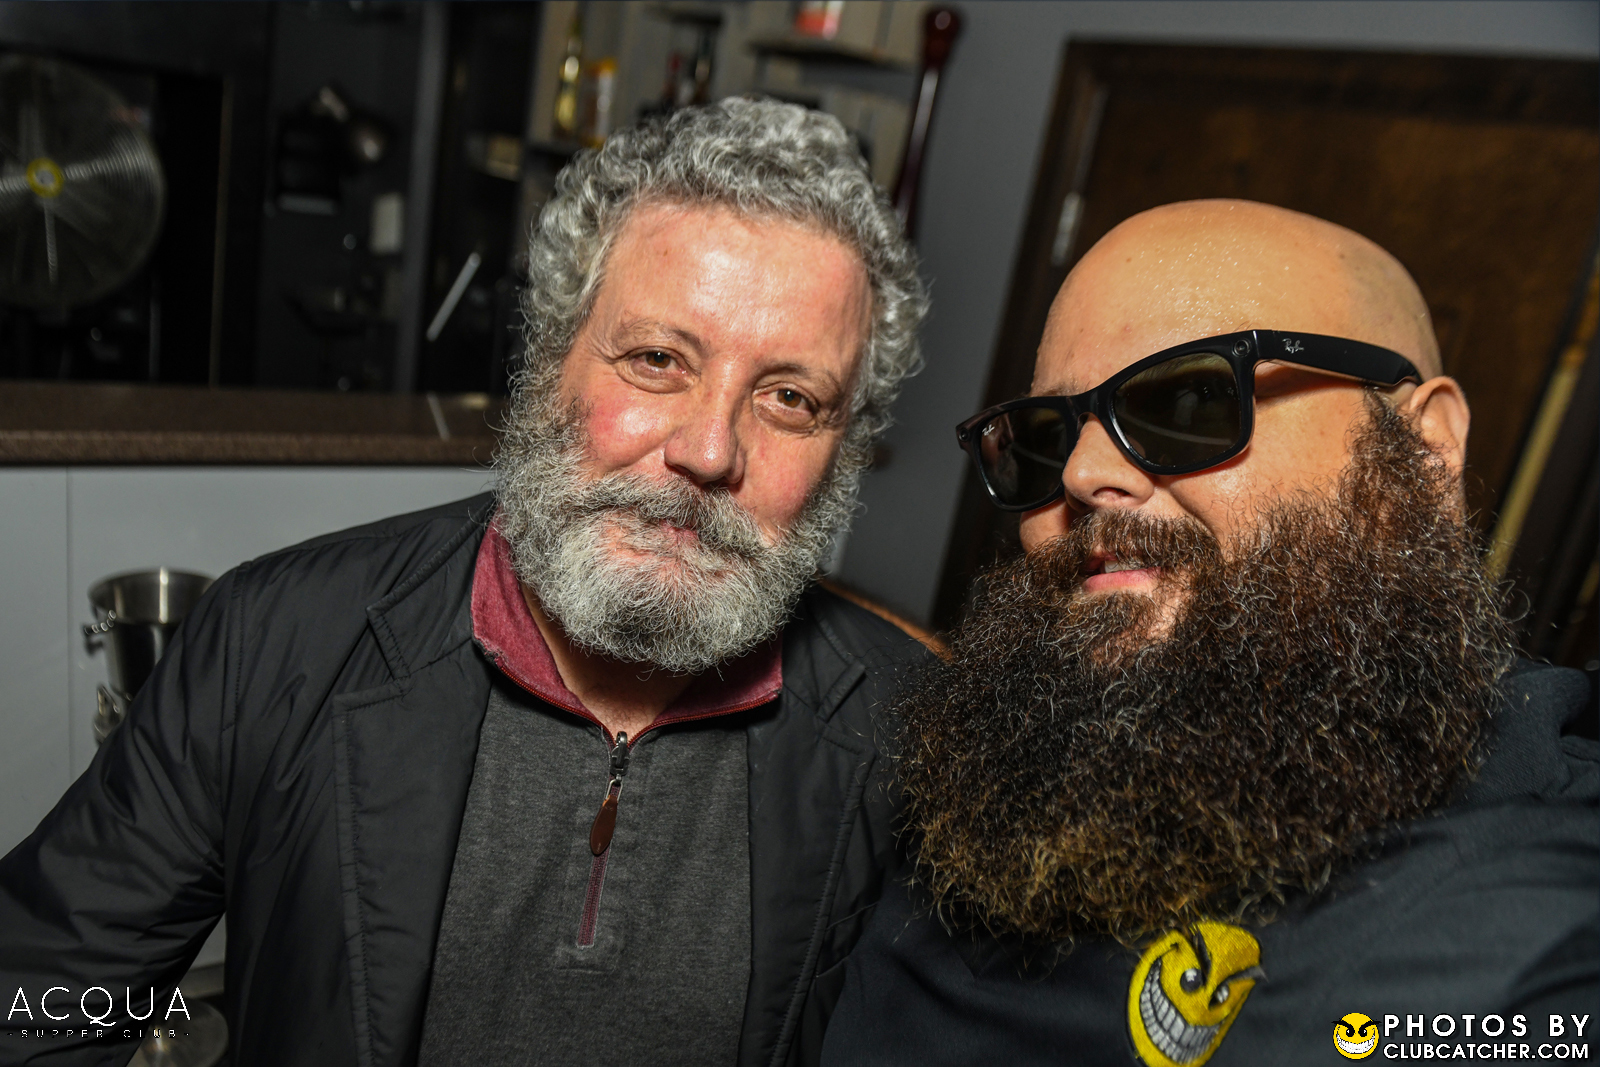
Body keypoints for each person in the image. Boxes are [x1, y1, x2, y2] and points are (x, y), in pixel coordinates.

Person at [0, 99, 934, 1067]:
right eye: (658, 359)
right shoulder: (274, 641)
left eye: (790, 398)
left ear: (843, 449)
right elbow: (34, 1001)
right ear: (550, 358)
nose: (709, 450)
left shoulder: (910, 740)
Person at [822, 200, 1598, 1066]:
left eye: (1189, 401)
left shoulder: (1531, 939)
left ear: (1422, 452)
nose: (1081, 472)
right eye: (1045, 437)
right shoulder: (968, 785)